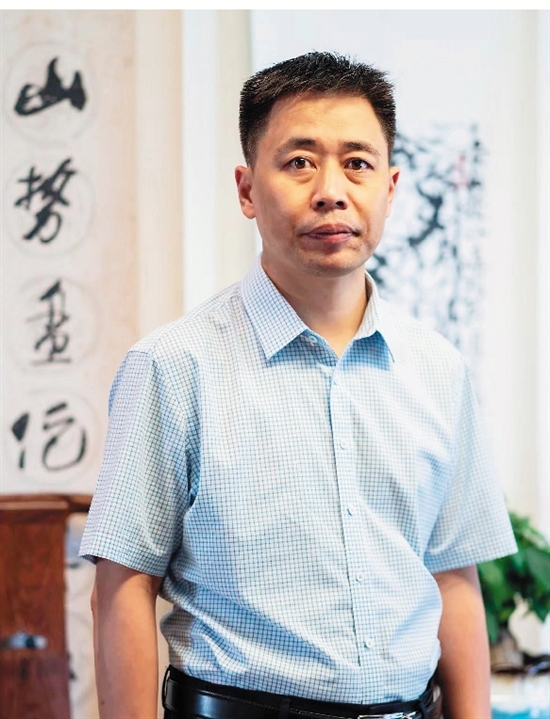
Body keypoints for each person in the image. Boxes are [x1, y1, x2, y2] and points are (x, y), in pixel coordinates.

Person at [81, 52, 517, 719]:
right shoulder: (172, 366)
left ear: (391, 188)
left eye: (357, 163)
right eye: (300, 162)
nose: (331, 191)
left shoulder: (439, 370)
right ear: (247, 189)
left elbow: (454, 579)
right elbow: (123, 587)